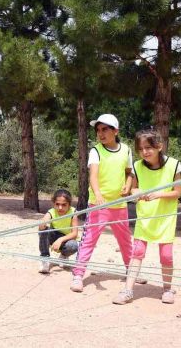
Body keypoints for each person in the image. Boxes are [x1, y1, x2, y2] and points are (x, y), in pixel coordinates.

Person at [113, 129, 181, 305]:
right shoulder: (137, 166)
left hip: (165, 218)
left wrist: (158, 194)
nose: (145, 152)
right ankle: (128, 290)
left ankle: (167, 289)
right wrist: (139, 193)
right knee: (137, 252)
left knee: (166, 256)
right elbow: (134, 189)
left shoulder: (174, 165)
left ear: (159, 146)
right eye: (141, 148)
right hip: (144, 217)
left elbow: (177, 192)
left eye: (149, 147)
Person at [71, 114, 134, 292]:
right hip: (98, 205)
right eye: (98, 130)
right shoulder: (96, 151)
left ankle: (131, 271)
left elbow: (130, 172)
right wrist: (97, 193)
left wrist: (128, 186)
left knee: (125, 240)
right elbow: (93, 175)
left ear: (116, 131)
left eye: (105, 129)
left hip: (120, 205)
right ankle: (78, 275)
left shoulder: (127, 150)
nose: (100, 133)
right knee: (89, 240)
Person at [38, 189, 79, 274]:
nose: (60, 207)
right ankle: (44, 258)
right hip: (53, 236)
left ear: (69, 204)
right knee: (43, 231)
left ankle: (64, 256)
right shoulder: (51, 212)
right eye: (57, 204)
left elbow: (74, 234)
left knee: (74, 245)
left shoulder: (73, 212)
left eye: (64, 205)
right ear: (54, 204)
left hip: (66, 240)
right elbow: (42, 226)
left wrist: (60, 240)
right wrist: (43, 223)